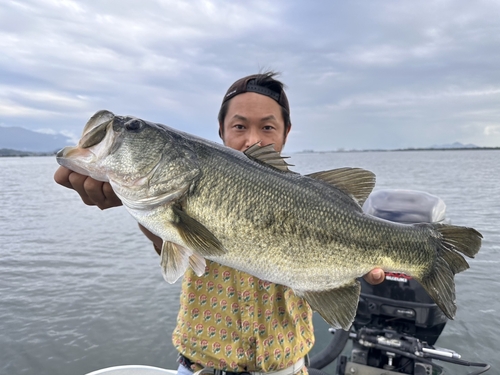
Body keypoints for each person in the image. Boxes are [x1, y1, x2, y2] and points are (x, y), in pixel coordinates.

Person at [54, 72, 385, 375]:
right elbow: (168, 239)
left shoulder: (316, 201)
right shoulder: (184, 190)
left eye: (268, 127)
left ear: (287, 132)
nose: (253, 140)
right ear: (221, 131)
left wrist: (372, 257)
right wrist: (131, 199)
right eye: (239, 127)